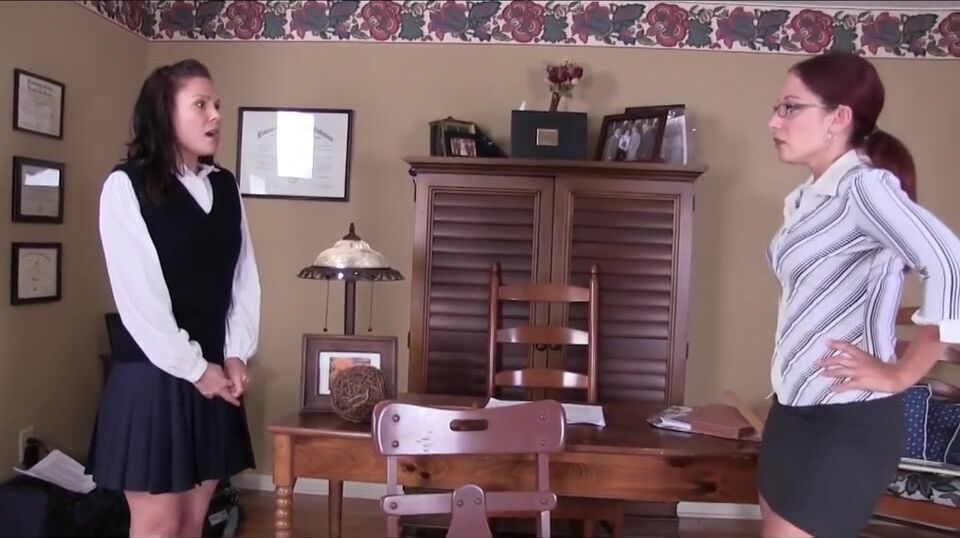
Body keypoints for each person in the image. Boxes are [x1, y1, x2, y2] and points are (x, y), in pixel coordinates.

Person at [760, 51, 960, 537]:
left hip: (847, 421)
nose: (774, 121)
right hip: (791, 412)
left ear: (839, 118)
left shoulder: (864, 187)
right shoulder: (805, 199)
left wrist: (903, 373)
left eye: (791, 107)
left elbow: (951, 264)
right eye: (778, 107)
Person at [86, 59, 260, 538]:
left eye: (217, 105)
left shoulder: (225, 186)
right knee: (159, 526)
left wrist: (235, 353)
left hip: (214, 378)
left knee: (191, 524)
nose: (216, 116)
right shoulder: (126, 186)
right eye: (200, 105)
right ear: (164, 113)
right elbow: (139, 298)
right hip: (153, 380)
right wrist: (197, 369)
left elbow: (243, 279)